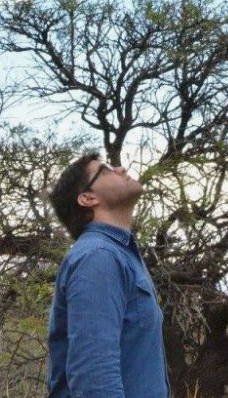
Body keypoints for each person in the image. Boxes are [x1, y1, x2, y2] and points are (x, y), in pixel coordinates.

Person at [47, 153, 169, 397]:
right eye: (105, 170)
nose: (121, 169)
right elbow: (94, 375)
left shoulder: (120, 255)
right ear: (88, 198)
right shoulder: (98, 257)